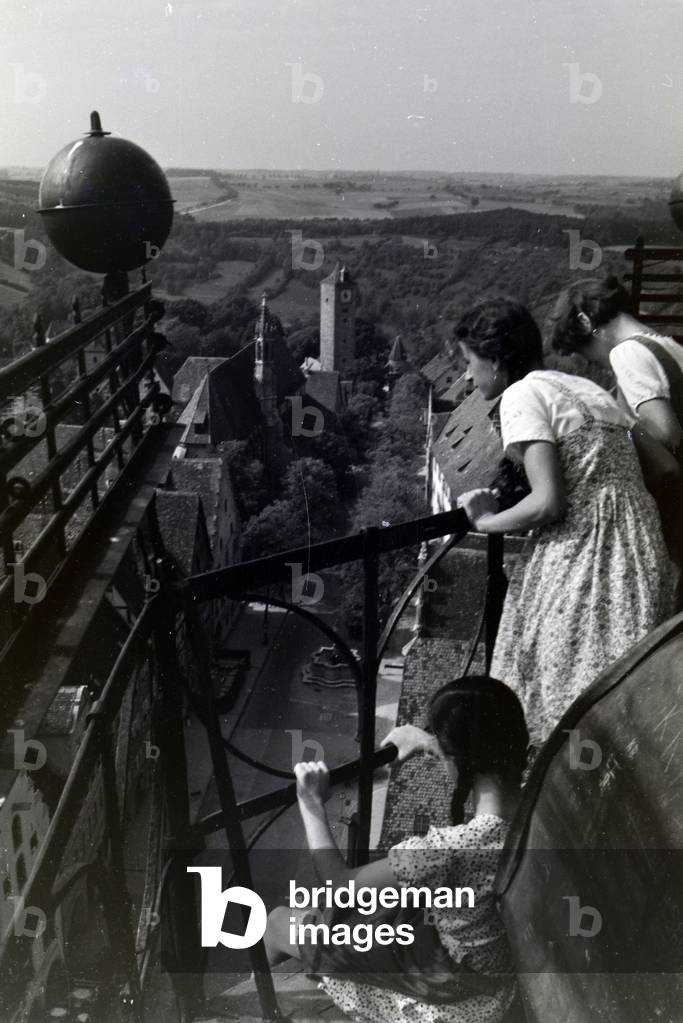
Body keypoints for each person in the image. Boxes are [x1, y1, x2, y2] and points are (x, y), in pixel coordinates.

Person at [454, 296, 675, 747]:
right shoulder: (587, 388)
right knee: (620, 687)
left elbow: (548, 502)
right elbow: (667, 469)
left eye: (470, 362)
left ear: (495, 361)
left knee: (558, 688)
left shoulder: (519, 395)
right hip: (640, 542)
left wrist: (485, 522)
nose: (466, 375)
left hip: (585, 550)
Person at [264, 676, 528, 1023]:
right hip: (493, 970)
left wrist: (310, 803)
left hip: (456, 987)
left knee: (277, 923)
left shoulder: (452, 847)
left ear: (457, 761)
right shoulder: (537, 802)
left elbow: (339, 886)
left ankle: (262, 1008)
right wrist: (426, 741)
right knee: (379, 912)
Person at [549, 275, 683, 586]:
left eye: (587, 354)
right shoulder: (669, 346)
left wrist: (613, 419)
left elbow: (666, 434)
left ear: (585, 322)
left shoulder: (627, 353)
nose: (598, 365)